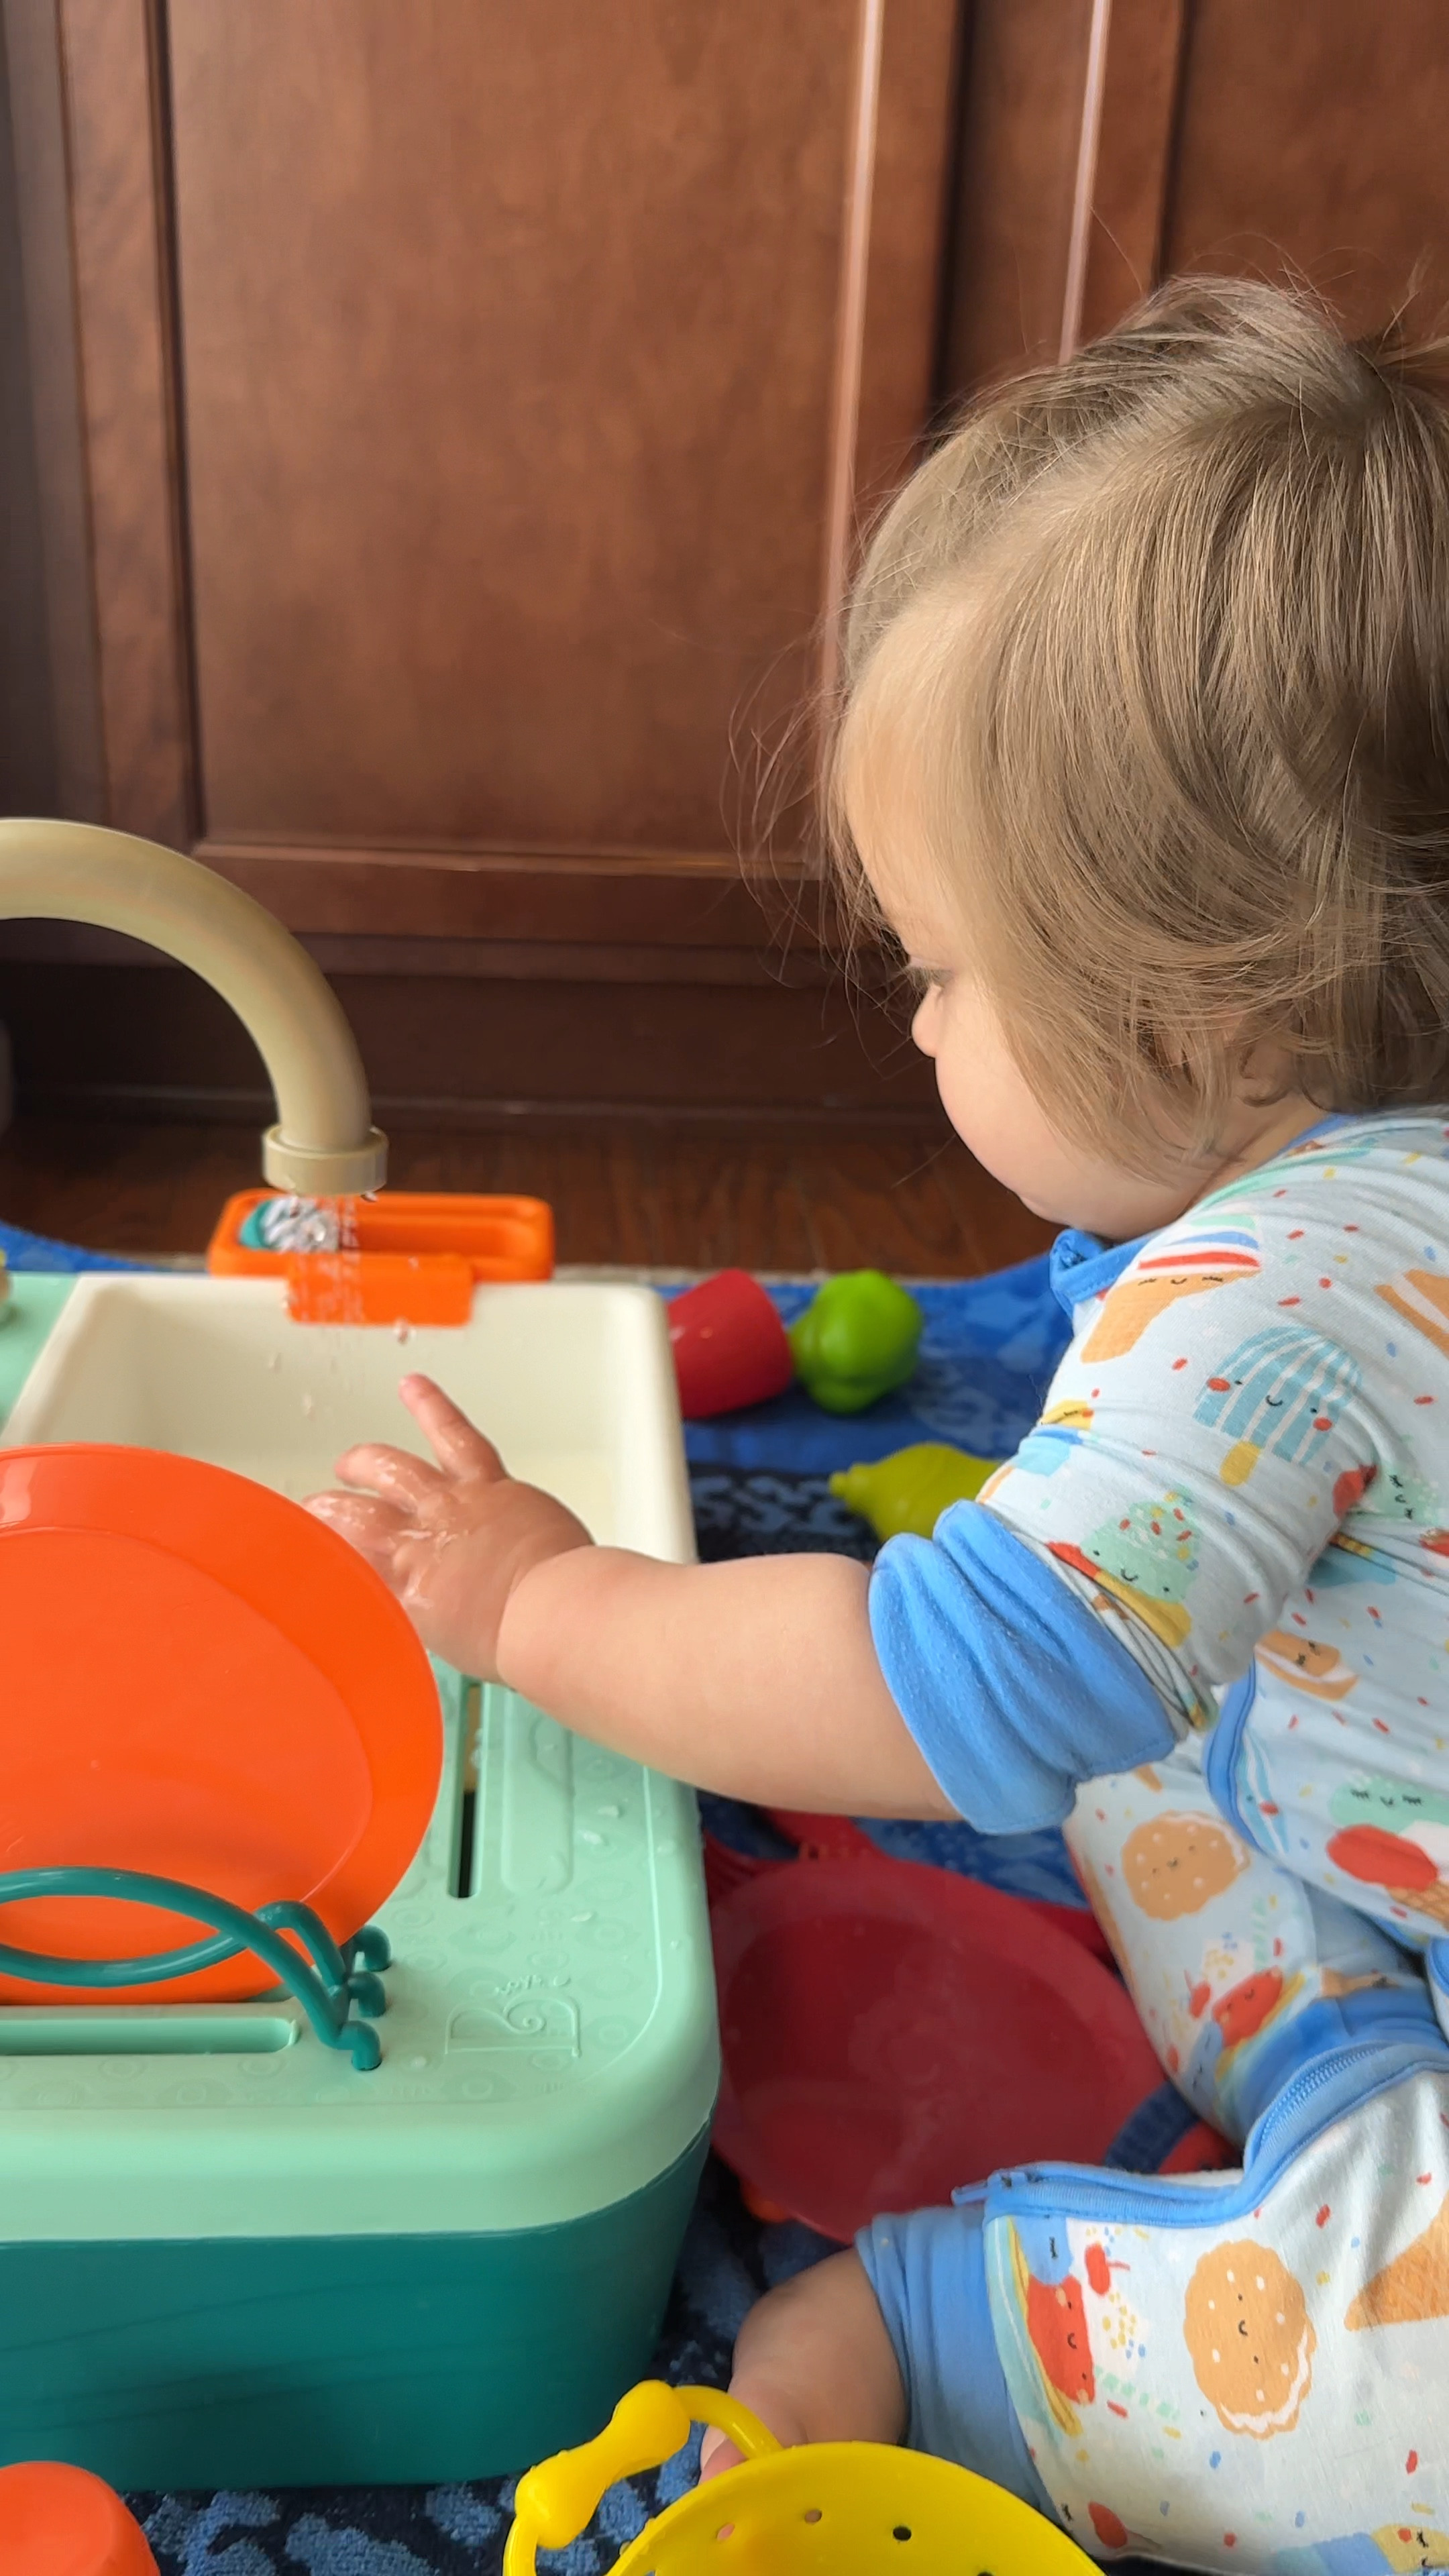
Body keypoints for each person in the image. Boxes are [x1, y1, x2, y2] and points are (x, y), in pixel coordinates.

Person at [308, 280, 1449, 2569]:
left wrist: (544, 1607)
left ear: (1211, 1022)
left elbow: (944, 1700)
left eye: (941, 973)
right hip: (1367, 1836)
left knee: (1389, 2392)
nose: (917, 1029)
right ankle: (1342, 2064)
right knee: (1164, 1741)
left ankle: (956, 2334)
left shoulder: (1276, 1296)